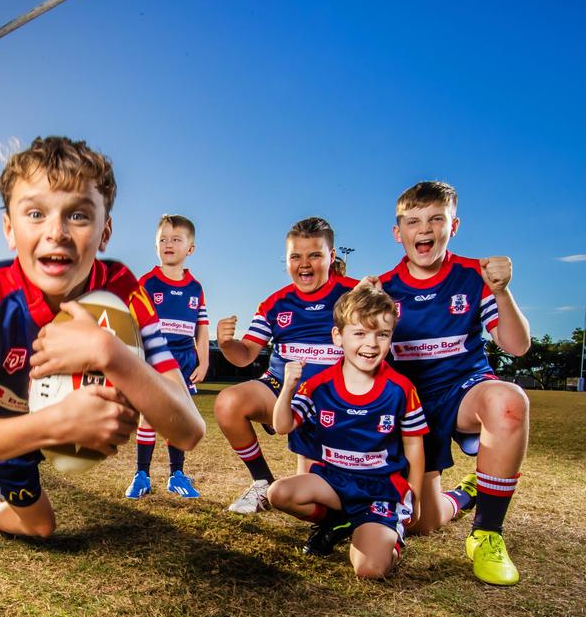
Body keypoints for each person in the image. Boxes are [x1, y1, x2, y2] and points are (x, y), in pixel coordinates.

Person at [0, 136, 205, 539]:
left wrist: (108, 351)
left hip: (47, 423)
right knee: (42, 527)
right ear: (9, 229)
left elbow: (189, 430)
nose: (56, 232)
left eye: (78, 215)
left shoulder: (123, 289)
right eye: (36, 213)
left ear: (105, 231)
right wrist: (57, 423)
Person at [374, 181, 530, 585]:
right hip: (412, 406)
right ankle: (467, 492)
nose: (424, 230)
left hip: (463, 390)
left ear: (453, 226)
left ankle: (488, 533)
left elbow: (516, 346)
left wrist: (503, 291)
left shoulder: (474, 276)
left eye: (435, 219)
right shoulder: (382, 288)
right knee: (426, 524)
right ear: (398, 232)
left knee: (508, 401)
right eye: (413, 221)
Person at [267, 285, 427, 579]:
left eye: (382, 334)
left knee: (370, 570)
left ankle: (385, 532)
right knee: (279, 493)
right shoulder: (319, 385)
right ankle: (339, 521)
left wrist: (414, 494)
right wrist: (288, 388)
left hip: (379, 488)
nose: (371, 343)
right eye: (360, 333)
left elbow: (414, 444)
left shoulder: (401, 389)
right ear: (338, 337)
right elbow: (282, 426)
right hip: (334, 483)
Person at [214, 218, 357, 514]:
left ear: (331, 257)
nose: (304, 264)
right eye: (295, 256)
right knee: (228, 403)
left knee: (317, 496)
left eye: (314, 255)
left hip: (338, 397)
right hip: (284, 390)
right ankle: (262, 483)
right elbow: (246, 355)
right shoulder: (275, 304)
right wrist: (227, 345)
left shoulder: (354, 295)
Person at [126, 214, 210, 499]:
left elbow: (202, 328)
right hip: (155, 358)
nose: (168, 244)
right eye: (162, 239)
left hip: (185, 360)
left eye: (176, 239)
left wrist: (204, 360)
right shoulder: (148, 282)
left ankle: (177, 475)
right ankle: (142, 475)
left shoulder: (196, 288)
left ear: (190, 248)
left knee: (177, 418)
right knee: (149, 416)